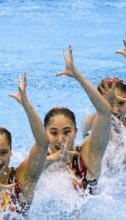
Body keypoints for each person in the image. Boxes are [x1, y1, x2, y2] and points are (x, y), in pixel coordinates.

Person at [0, 73, 49, 218]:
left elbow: (43, 144)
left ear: (11, 152)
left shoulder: (23, 178)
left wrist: (26, 104)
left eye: (3, 153)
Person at [45, 46, 113, 195]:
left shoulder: (88, 156)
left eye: (67, 132)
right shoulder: (39, 163)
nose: (60, 139)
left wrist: (78, 76)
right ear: (44, 134)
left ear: (75, 132)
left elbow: (105, 112)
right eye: (54, 132)